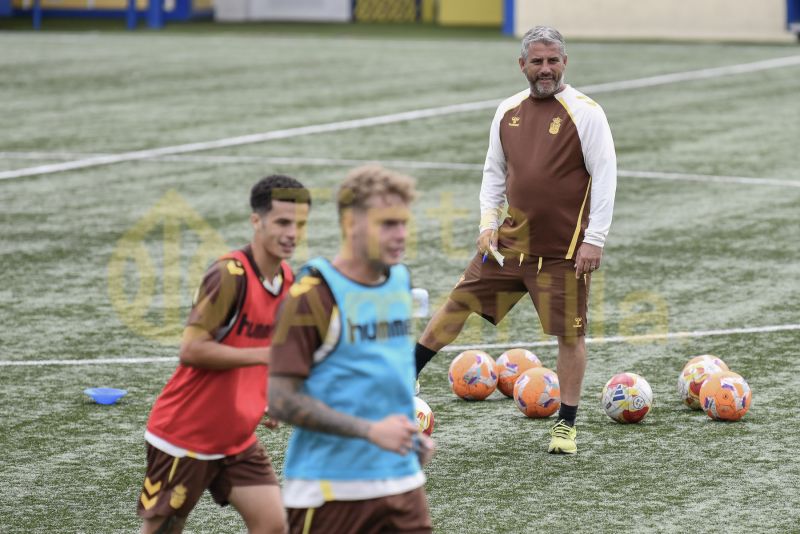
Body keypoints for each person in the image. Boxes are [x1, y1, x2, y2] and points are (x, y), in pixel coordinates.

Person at [414, 26, 617, 455]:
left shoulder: (586, 112)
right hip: (507, 246)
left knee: (569, 337)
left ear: (565, 62)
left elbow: (605, 178)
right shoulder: (508, 111)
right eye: (537, 61)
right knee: (458, 303)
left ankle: (565, 425)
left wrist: (593, 239)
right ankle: (406, 375)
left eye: (553, 60)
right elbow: (493, 173)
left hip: (564, 254)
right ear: (522, 64)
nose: (546, 69)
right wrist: (487, 223)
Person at [136, 175, 311, 533]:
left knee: (274, 524)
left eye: (299, 224)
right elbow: (192, 349)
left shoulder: (287, 280)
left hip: (236, 438)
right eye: (282, 222)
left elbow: (258, 348)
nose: (292, 232)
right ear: (256, 221)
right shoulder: (229, 275)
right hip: (184, 436)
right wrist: (268, 357)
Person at [269, 165, 434, 534]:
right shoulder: (312, 296)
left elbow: (380, 375)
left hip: (402, 482)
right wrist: (370, 432)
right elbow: (280, 401)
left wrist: (409, 437)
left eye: (404, 223)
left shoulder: (399, 280)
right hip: (330, 492)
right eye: (387, 223)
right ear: (350, 223)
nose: (401, 235)